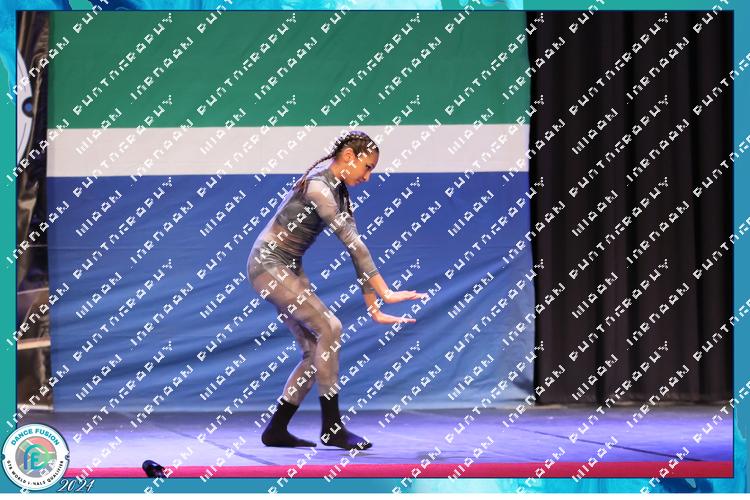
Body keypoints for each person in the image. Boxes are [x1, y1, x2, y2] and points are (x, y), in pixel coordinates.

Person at [247, 130, 427, 450]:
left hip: (288, 267)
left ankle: (276, 429)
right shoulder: (319, 188)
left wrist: (374, 307)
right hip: (268, 265)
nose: (368, 177)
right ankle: (332, 427)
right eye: (367, 167)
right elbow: (355, 246)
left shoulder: (340, 191)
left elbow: (357, 252)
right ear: (348, 157)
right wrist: (385, 292)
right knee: (330, 327)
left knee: (315, 350)